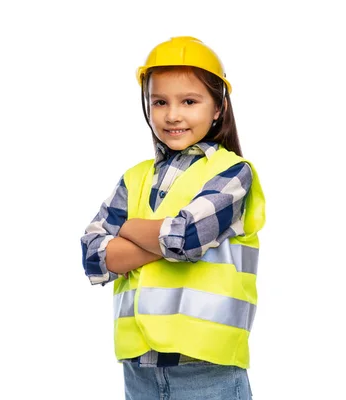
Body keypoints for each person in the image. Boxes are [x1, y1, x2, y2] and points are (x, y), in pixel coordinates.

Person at [80, 36, 266, 400]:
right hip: (139, 369)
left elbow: (187, 239)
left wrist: (126, 230)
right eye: (160, 102)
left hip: (207, 368)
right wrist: (166, 237)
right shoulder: (134, 178)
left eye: (189, 102)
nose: (172, 115)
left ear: (218, 107)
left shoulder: (232, 173)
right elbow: (93, 256)